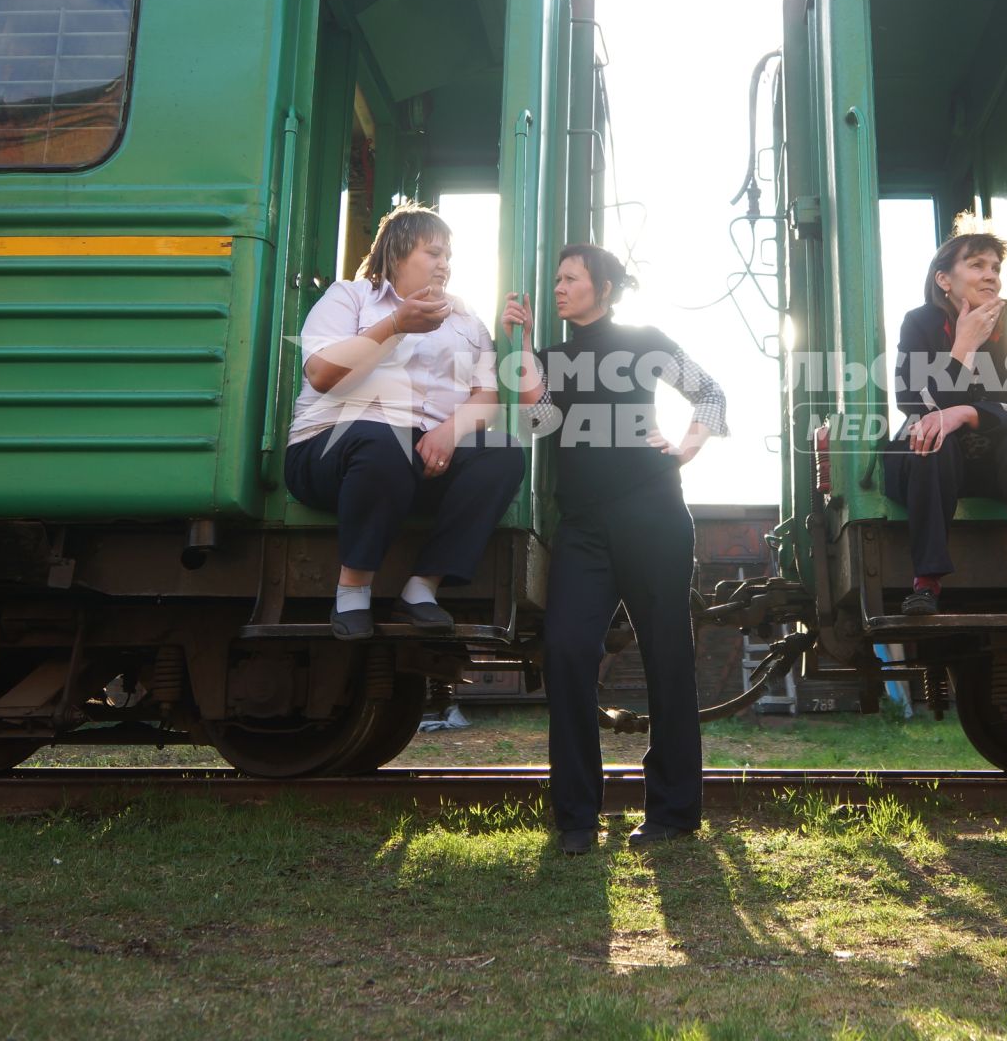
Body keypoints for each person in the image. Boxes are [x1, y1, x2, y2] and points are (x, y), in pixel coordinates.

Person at [500, 244, 728, 855]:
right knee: (568, 650)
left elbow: (711, 394)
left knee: (667, 655)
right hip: (583, 527)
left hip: (653, 514)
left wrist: (686, 446)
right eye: (555, 279)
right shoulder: (551, 357)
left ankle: (674, 811)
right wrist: (521, 349)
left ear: (603, 287)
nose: (559, 286)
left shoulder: (645, 339)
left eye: (571, 277)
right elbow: (541, 425)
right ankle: (577, 816)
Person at [284, 203, 524, 640]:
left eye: (449, 256)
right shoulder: (349, 297)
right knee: (383, 441)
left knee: (504, 451)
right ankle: (352, 592)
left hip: (421, 457)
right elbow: (321, 373)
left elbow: (486, 396)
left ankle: (421, 589)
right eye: (434, 253)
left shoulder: (468, 321)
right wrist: (395, 325)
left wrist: (448, 433)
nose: (445, 265)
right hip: (328, 452)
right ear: (397, 253)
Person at [886, 229, 1007, 618]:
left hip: (1002, 462)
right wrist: (963, 347)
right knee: (929, 436)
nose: (991, 275)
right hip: (938, 468)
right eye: (977, 265)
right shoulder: (920, 323)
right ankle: (926, 583)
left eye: (995, 267)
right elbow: (914, 402)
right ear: (944, 279)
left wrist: (967, 412)